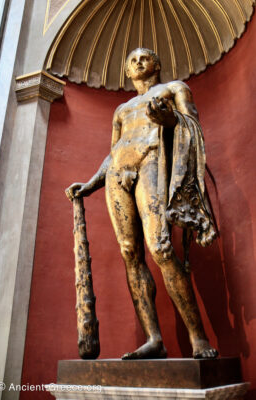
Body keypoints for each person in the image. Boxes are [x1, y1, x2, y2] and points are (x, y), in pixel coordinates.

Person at [65, 48, 218, 359]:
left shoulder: (173, 89)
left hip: (152, 163)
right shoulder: (121, 110)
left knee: (160, 248)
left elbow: (192, 126)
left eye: (144, 57)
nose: (137, 62)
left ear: (157, 64)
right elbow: (115, 151)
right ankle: (154, 338)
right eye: (131, 60)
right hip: (118, 175)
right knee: (130, 253)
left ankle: (198, 338)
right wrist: (92, 182)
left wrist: (169, 117)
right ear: (126, 71)